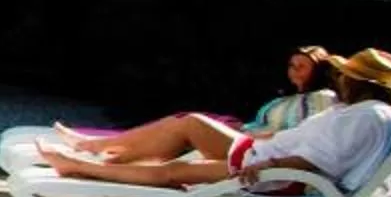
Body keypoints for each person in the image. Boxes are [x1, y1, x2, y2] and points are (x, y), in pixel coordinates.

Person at [39, 49, 391, 194]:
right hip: (265, 156)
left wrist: (269, 162)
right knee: (188, 125)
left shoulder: (366, 116)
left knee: (175, 170)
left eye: (346, 76)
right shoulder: (358, 111)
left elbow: (320, 160)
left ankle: (81, 164)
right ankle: (92, 152)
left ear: (359, 83)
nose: (340, 79)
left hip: (276, 172)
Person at [47, 46, 343, 166]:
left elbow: (303, 134)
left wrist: (254, 134)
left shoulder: (322, 99)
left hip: (263, 149)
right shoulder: (285, 99)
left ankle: (97, 151)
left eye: (301, 67)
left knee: (189, 123)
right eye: (291, 65)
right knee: (180, 123)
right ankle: (105, 153)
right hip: (251, 139)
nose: (293, 72)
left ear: (318, 70)